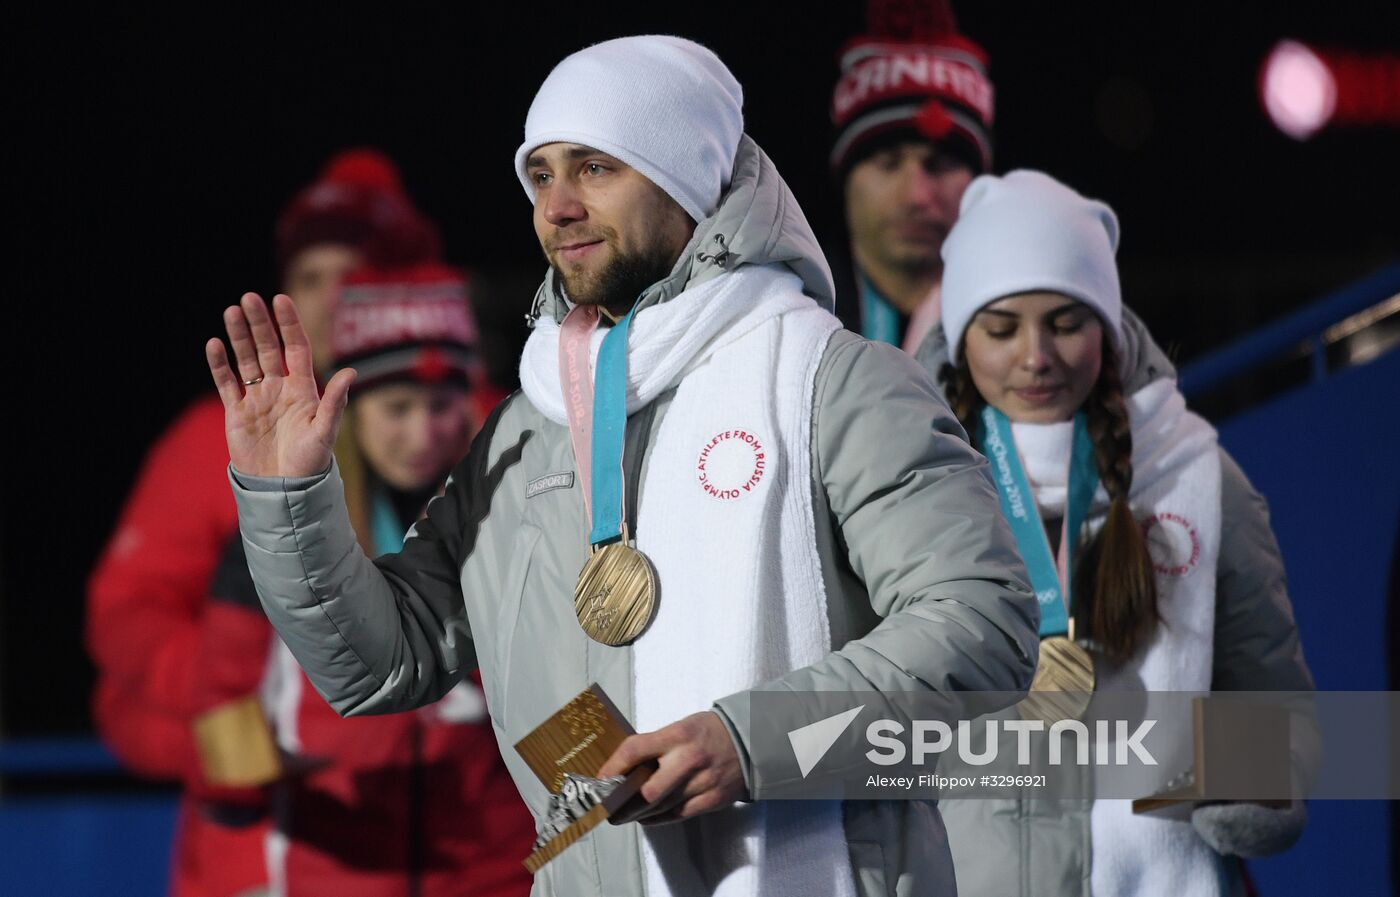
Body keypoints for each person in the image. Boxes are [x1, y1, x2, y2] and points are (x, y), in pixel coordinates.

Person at [207, 35, 1039, 897]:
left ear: (684, 178)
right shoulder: (527, 427)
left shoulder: (839, 383)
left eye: (597, 168)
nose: (557, 206)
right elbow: (383, 662)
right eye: (541, 175)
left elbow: (984, 624)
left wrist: (750, 742)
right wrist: (288, 496)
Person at [920, 170, 1315, 896]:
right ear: (960, 335)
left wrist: (1246, 776)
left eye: (1067, 322)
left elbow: (1276, 710)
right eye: (1002, 327)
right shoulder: (911, 477)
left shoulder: (1197, 473)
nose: (1036, 356)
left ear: (1107, 323)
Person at [85, 149, 444, 897]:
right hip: (262, 857)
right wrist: (251, 712)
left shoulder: (484, 425)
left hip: (456, 851)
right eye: (310, 278)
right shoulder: (218, 437)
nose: (332, 298)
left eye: (357, 274)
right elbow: (126, 619)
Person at [198, 263, 535, 896]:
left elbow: (585, 705)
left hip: (499, 877)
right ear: (351, 410)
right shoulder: (276, 543)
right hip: (334, 874)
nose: (422, 433)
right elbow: (219, 716)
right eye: (397, 407)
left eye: (442, 405)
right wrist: (252, 770)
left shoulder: (520, 518)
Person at [831, 0, 994, 352]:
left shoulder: (1042, 334)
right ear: (845, 181)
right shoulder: (782, 322)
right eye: (888, 163)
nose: (918, 196)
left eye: (941, 165)